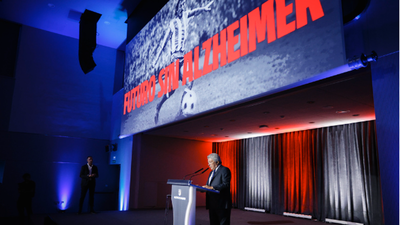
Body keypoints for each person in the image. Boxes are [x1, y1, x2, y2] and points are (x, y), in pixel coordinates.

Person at [152, 0, 214, 124]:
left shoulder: (185, 16)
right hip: (174, 59)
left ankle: (180, 111)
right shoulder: (173, 23)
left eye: (185, 4)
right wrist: (156, 59)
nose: (184, 6)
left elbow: (194, 11)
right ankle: (158, 106)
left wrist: (204, 8)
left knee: (190, 82)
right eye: (182, 5)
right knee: (172, 89)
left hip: (182, 58)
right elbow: (164, 42)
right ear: (178, 8)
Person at [203, 153, 232, 225]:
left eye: (210, 162)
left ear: (217, 162)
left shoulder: (224, 170)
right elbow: (208, 186)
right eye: (208, 162)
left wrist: (212, 187)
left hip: (221, 204)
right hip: (212, 203)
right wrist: (201, 188)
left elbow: (226, 184)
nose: (208, 164)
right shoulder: (211, 173)